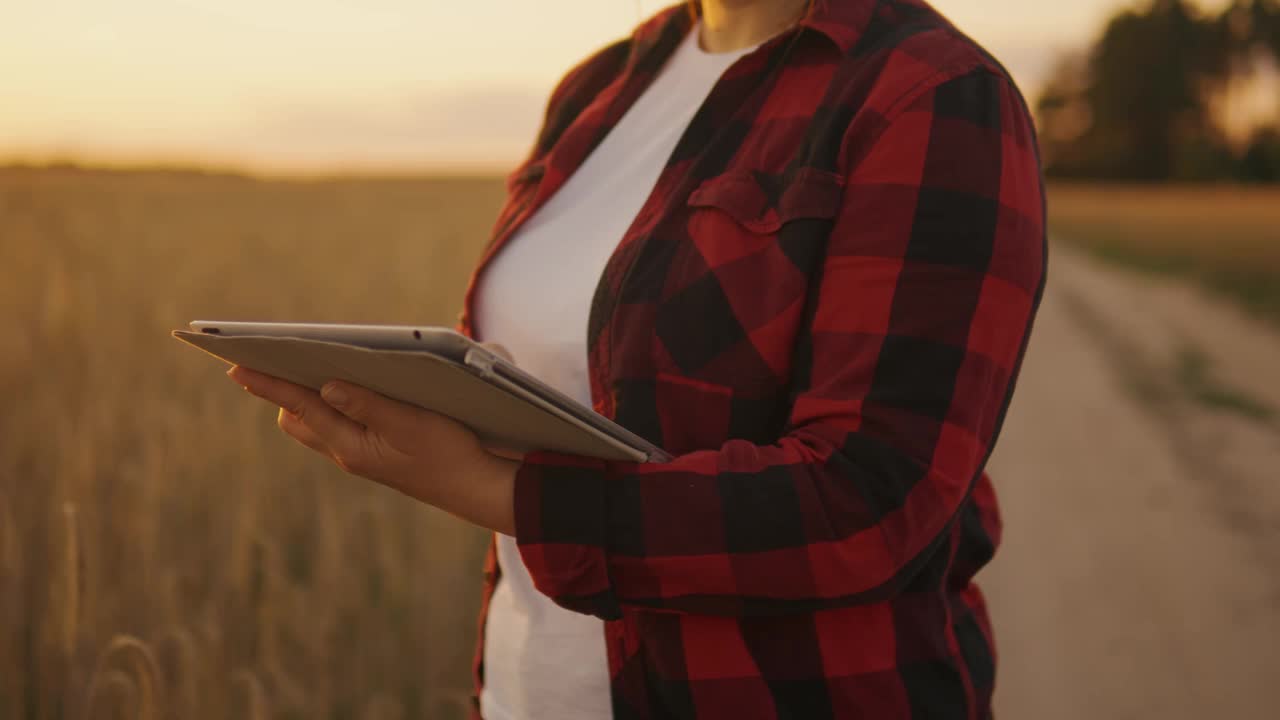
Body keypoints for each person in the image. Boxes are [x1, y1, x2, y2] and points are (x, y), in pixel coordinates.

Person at [227, 0, 1047, 717]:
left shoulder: (930, 94)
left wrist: (489, 489)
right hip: (532, 693)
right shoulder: (604, 84)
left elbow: (868, 502)